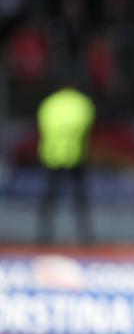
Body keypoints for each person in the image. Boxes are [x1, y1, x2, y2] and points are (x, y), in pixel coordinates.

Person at [36, 83, 95, 243]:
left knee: (49, 196)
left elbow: (43, 128)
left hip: (52, 155)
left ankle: (43, 233)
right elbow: (86, 130)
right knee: (80, 197)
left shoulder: (49, 103)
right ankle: (84, 234)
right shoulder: (82, 103)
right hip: (76, 155)